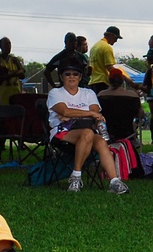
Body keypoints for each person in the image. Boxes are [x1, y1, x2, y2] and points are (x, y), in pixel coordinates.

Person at [46, 60, 130, 194]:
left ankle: (114, 181)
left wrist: (75, 114)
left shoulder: (88, 93)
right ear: (61, 77)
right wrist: (88, 113)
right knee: (88, 133)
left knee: (101, 141)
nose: (72, 77)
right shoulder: (55, 93)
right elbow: (65, 111)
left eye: (75, 74)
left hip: (87, 131)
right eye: (67, 74)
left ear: (80, 77)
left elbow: (94, 112)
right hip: (63, 131)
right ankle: (76, 176)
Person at [90, 26, 135, 94]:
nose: (116, 41)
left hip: (93, 82)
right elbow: (110, 68)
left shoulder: (94, 47)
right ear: (110, 35)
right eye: (116, 38)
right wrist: (127, 79)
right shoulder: (106, 47)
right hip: (103, 82)